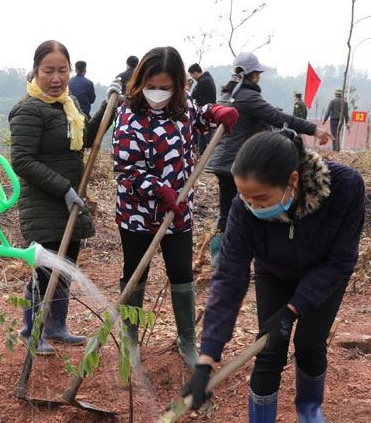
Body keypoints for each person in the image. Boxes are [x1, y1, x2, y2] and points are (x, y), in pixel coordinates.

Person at [181, 130, 365, 423]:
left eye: (262, 199)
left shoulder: (346, 187)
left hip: (325, 274)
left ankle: (309, 406)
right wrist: (207, 359)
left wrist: (294, 309)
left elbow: (341, 260)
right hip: (275, 273)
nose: (253, 207)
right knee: (268, 349)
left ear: (292, 180)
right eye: (245, 198)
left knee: (309, 344)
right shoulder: (244, 208)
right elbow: (229, 278)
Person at [113, 47, 238, 369]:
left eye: (167, 87)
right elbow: (125, 172)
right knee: (136, 273)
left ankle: (186, 341)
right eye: (152, 85)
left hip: (178, 213)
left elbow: (201, 113)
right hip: (137, 213)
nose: (159, 93)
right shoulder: (127, 116)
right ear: (140, 82)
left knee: (181, 272)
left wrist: (218, 113)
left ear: (179, 86)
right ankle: (130, 339)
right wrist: (158, 189)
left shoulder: (183, 110)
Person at [9, 40, 112, 356]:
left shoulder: (70, 106)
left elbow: (86, 140)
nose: (56, 78)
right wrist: (64, 189)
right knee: (45, 270)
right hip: (43, 204)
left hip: (69, 203)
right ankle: (31, 330)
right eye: (48, 71)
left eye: (62, 70)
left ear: (70, 71)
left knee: (65, 264)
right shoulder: (28, 110)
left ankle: (56, 327)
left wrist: (110, 106)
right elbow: (22, 160)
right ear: (36, 72)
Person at [205, 52, 332, 269]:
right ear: (253, 76)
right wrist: (314, 129)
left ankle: (223, 261)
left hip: (225, 163)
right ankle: (227, 262)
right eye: (258, 74)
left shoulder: (229, 95)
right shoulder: (247, 97)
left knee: (229, 213)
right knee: (244, 213)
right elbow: (279, 118)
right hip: (240, 164)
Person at [188, 63, 217, 155]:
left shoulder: (203, 81)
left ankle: (202, 155)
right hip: (210, 110)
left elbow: (193, 95)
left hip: (206, 112)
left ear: (196, 72)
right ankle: (206, 154)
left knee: (202, 133)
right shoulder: (208, 78)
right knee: (207, 134)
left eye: (192, 75)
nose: (192, 78)